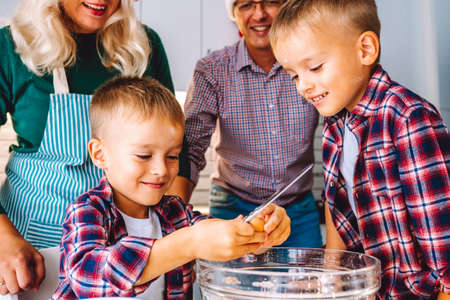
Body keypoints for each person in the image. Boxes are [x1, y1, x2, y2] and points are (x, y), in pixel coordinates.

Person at [269, 0, 450, 299]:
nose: (303, 86)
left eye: (314, 67)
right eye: (295, 75)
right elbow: (334, 202)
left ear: (365, 49)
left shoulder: (407, 118)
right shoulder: (334, 123)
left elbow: (444, 246)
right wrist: (329, 279)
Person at [51, 76, 291, 299]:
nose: (162, 170)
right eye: (144, 155)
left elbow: (219, 240)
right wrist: (188, 243)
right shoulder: (88, 210)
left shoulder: (176, 212)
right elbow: (86, 275)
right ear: (100, 154)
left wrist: (259, 230)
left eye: (173, 156)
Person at [0, 0, 174, 295]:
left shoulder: (144, 45)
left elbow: (171, 145)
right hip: (28, 246)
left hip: (121, 250)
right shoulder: (10, 46)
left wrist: (172, 230)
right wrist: (2, 238)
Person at [171, 0, 322, 248]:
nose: (259, 14)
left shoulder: (309, 65)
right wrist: (172, 219)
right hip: (232, 209)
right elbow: (191, 149)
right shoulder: (212, 70)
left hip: (298, 212)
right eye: (246, 5)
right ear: (235, 15)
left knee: (305, 286)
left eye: (270, 2)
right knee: (229, 286)